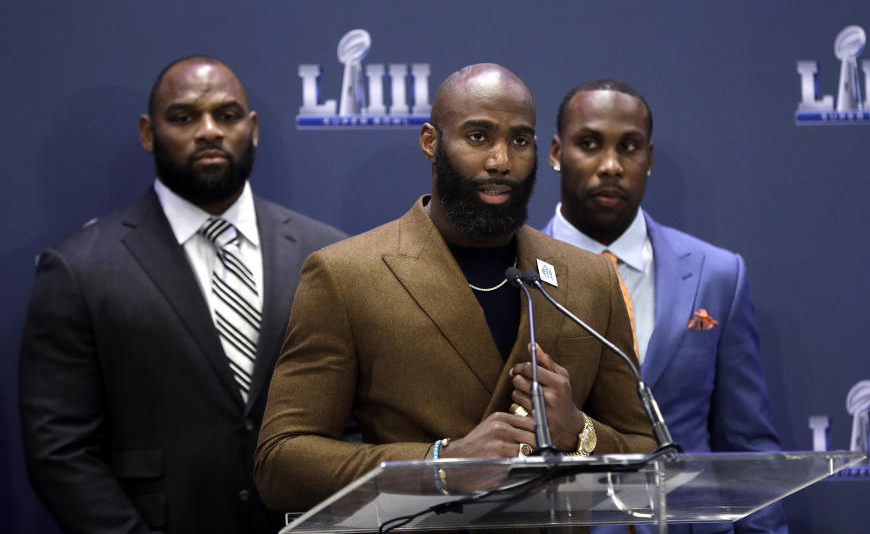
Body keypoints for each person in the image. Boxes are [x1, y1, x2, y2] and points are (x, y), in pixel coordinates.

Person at [254, 63, 657, 514]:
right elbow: (281, 463)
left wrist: (579, 433)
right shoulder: (345, 275)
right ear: (431, 142)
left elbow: (650, 457)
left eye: (519, 141)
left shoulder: (590, 278)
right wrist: (439, 466)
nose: (500, 161)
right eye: (478, 137)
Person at [19, 55, 346, 534]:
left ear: (252, 129)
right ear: (149, 133)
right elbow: (60, 452)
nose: (209, 130)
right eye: (184, 117)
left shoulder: (329, 254)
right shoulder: (79, 268)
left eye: (227, 116)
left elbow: (358, 421)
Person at [543, 79, 788, 533]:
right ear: (557, 153)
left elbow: (748, 446)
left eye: (629, 147)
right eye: (590, 144)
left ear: (649, 160)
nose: (611, 166)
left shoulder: (718, 275)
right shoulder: (515, 274)